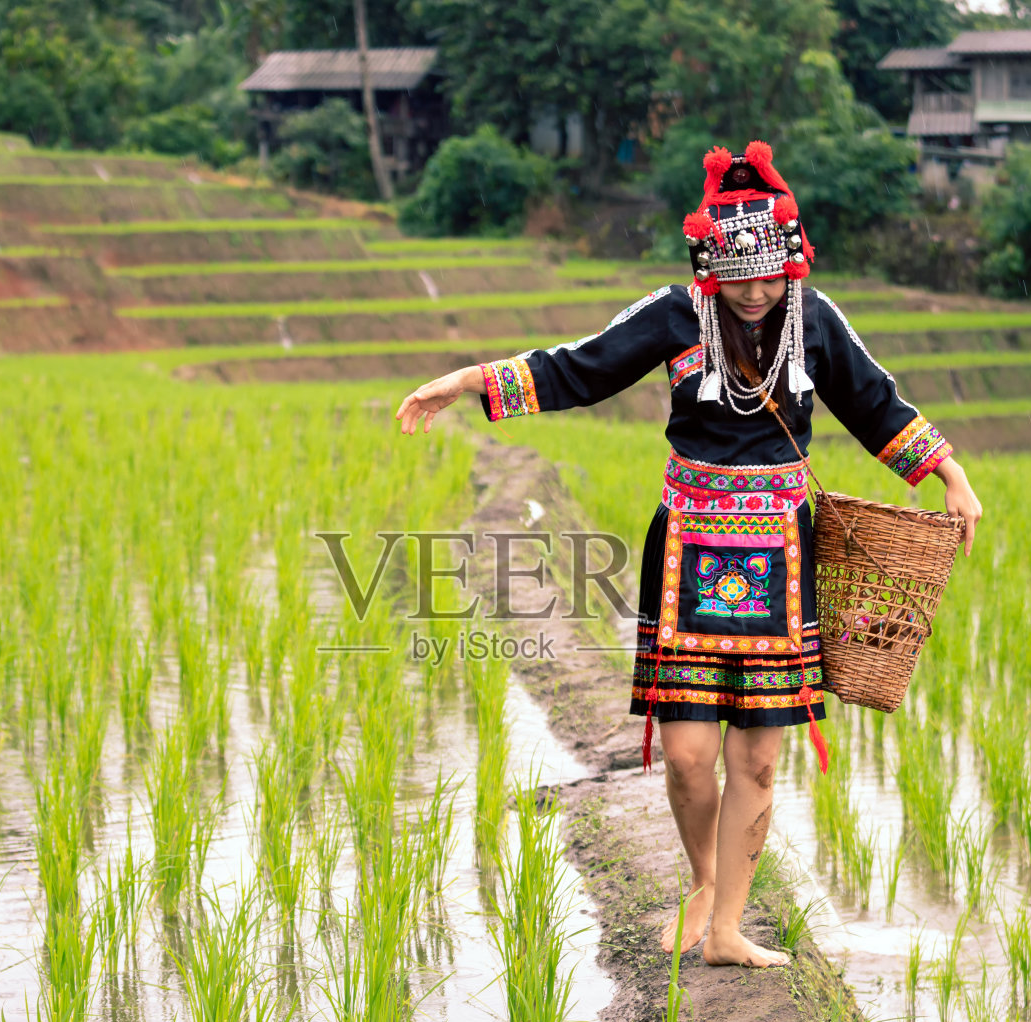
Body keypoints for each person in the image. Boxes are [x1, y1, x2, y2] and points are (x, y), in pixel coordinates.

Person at [395, 141, 982, 969]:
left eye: (768, 273)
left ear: (791, 261)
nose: (753, 290)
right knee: (687, 757)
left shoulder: (814, 320)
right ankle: (706, 881)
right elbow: (581, 369)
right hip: (687, 549)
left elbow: (873, 403)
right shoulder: (675, 315)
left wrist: (948, 475)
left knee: (760, 756)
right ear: (710, 270)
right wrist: (466, 380)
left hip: (780, 555)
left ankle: (730, 930)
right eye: (737, 276)